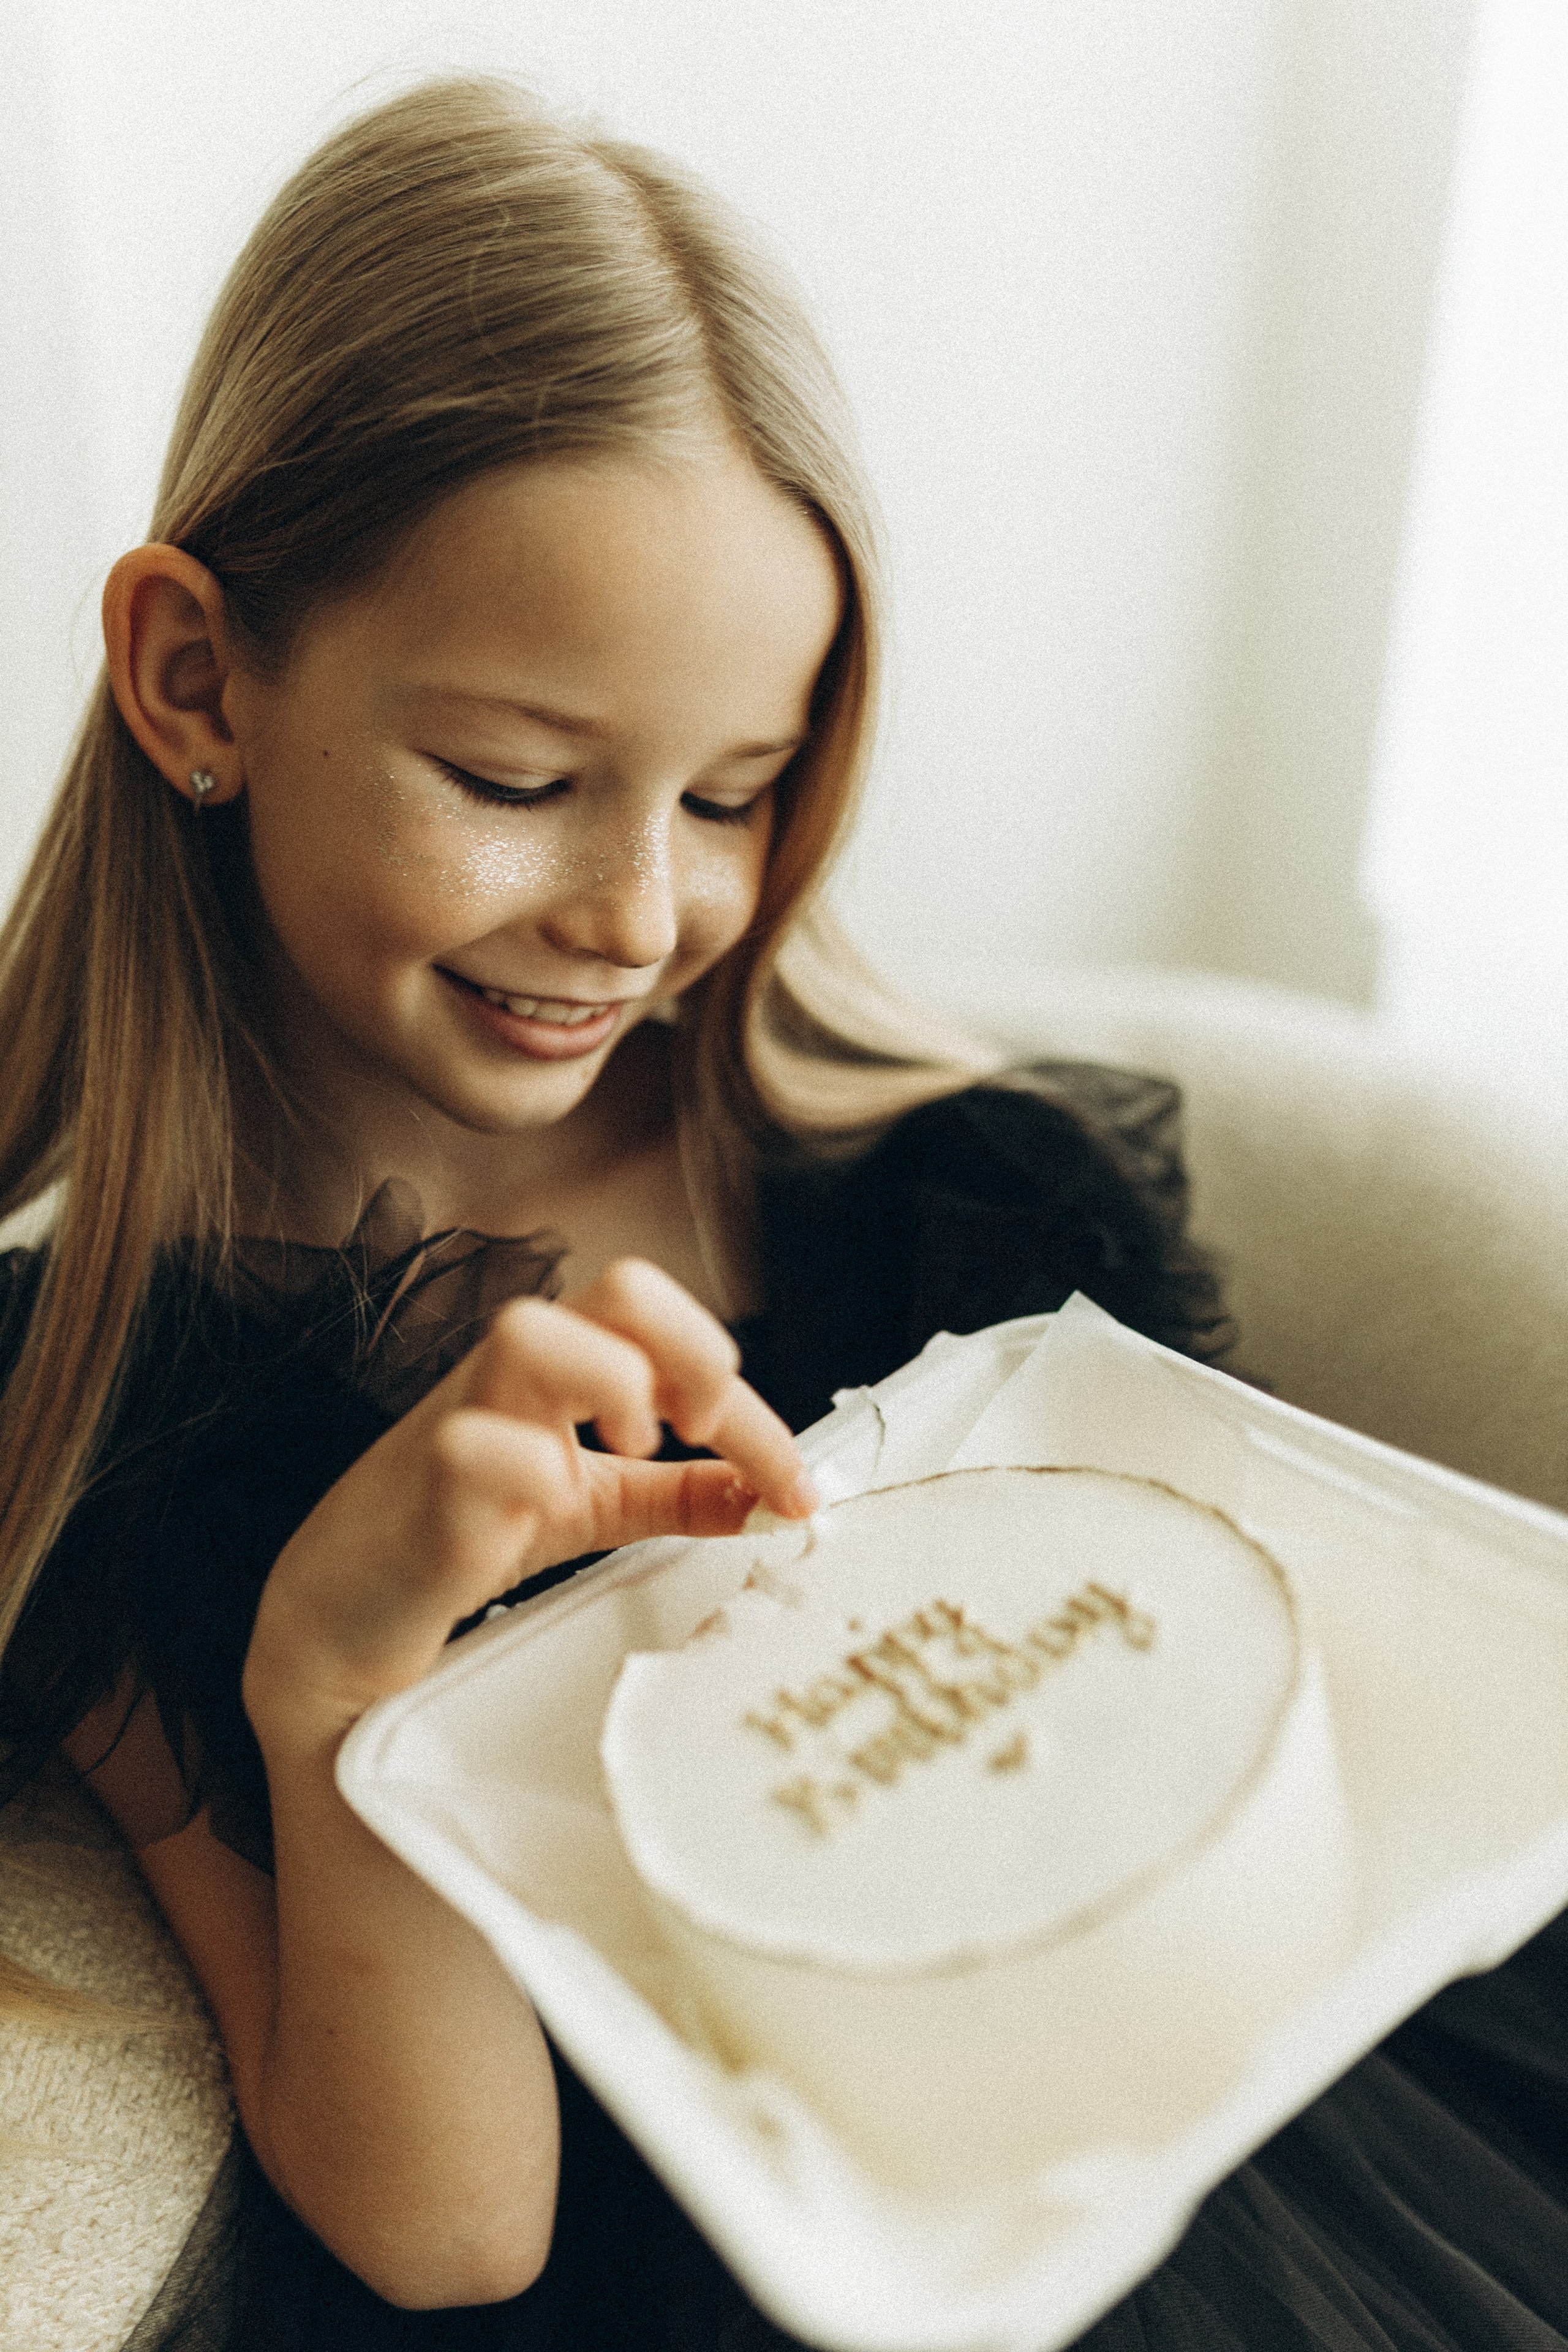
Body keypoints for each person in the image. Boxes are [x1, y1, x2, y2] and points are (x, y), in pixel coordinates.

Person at [0, 72, 1557, 2352]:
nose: (638, 915)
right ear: (198, 678)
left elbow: (1262, 1789)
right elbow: (451, 2237)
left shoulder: (973, 1205)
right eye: (516, 781)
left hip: (1222, 2194)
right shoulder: (91, 1402)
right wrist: (338, 1678)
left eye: (735, 797)